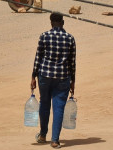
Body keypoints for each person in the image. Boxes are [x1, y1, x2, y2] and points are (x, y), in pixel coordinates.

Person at [30, 13, 76, 148]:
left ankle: (43, 134)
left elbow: (38, 57)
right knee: (59, 107)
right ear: (63, 22)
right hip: (63, 77)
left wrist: (33, 76)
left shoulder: (44, 36)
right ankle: (55, 140)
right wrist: (73, 81)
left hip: (44, 75)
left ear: (51, 23)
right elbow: (72, 62)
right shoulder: (70, 38)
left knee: (44, 104)